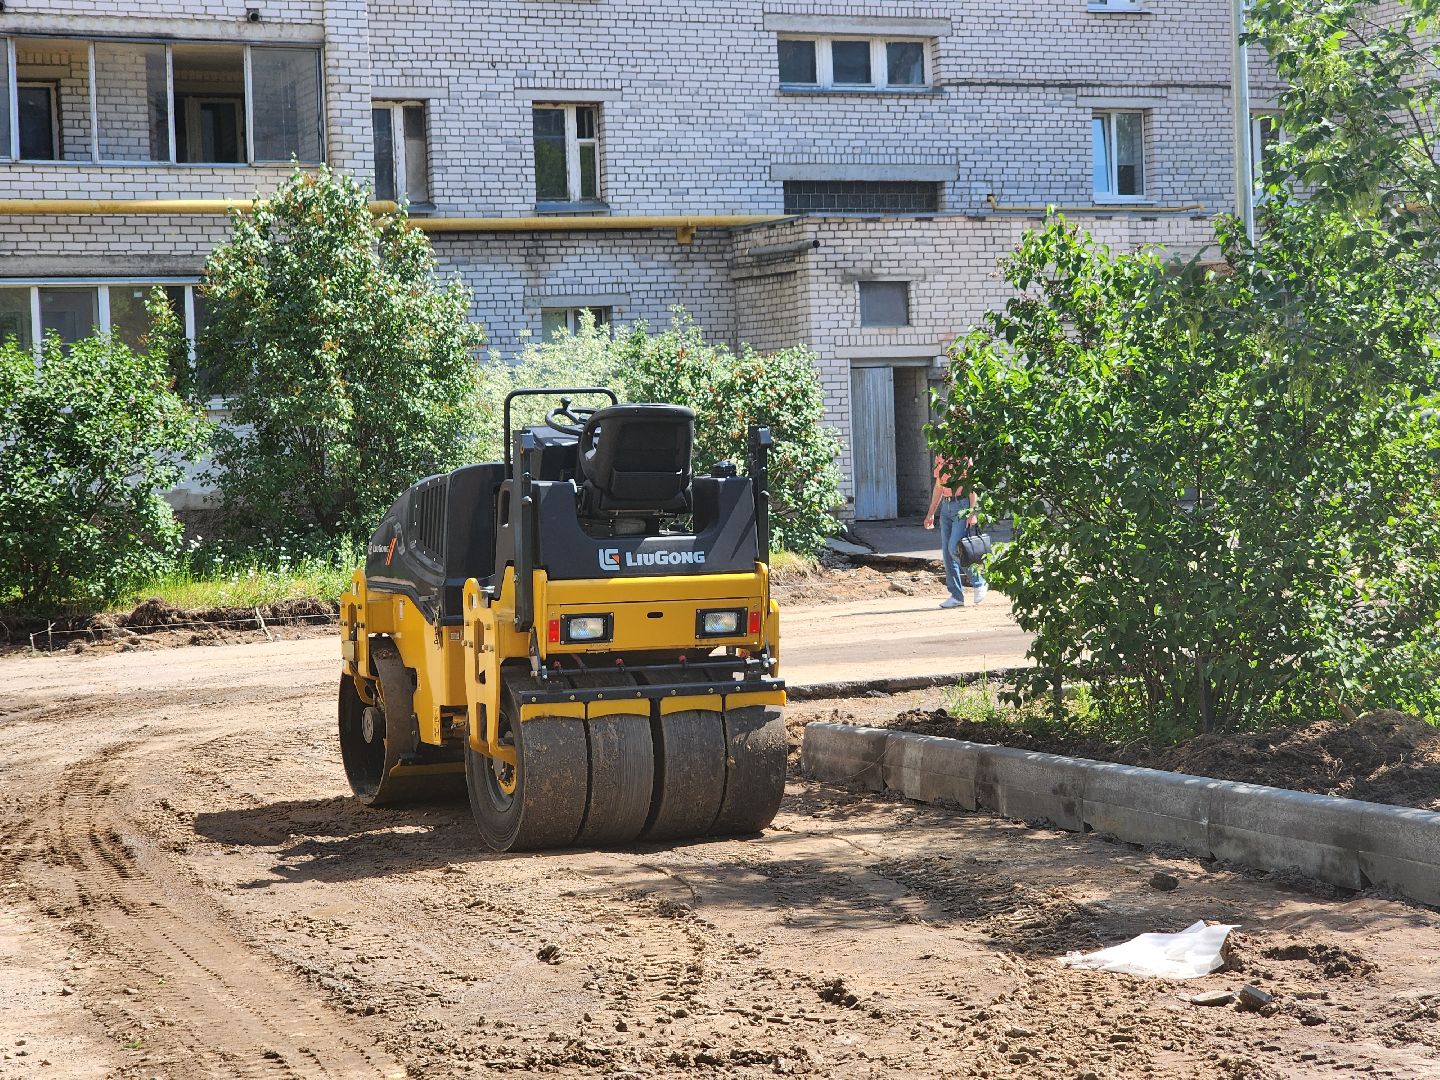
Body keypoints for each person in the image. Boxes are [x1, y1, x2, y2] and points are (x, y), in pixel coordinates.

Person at [923, 454, 987, 609]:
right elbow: (939, 486)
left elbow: (972, 486)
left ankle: (979, 581)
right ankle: (956, 596)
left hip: (962, 505)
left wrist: (972, 512)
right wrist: (931, 513)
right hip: (946, 507)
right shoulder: (940, 457)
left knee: (954, 548)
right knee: (946, 553)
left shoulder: (964, 457)